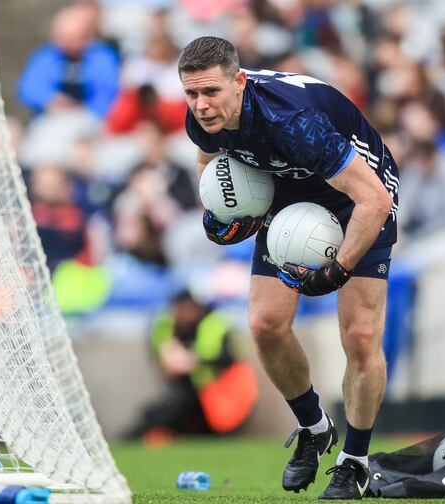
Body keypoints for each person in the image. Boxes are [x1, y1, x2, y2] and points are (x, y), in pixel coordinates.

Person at [179, 36, 398, 499]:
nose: (200, 105)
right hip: (290, 196)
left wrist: (338, 269)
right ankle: (314, 428)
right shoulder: (203, 118)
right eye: (191, 94)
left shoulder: (293, 121)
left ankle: (355, 463)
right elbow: (207, 162)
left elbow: (373, 199)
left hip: (359, 197)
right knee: (264, 325)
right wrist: (222, 214)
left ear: (239, 82)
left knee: (359, 336)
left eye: (211, 92)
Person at [133, 290, 257, 438]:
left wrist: (194, 360)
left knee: (176, 407)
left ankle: (137, 436)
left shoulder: (214, 323)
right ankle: (141, 434)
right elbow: (161, 361)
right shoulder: (167, 326)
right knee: (163, 410)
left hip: (217, 392)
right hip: (191, 392)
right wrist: (168, 360)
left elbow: (228, 359)